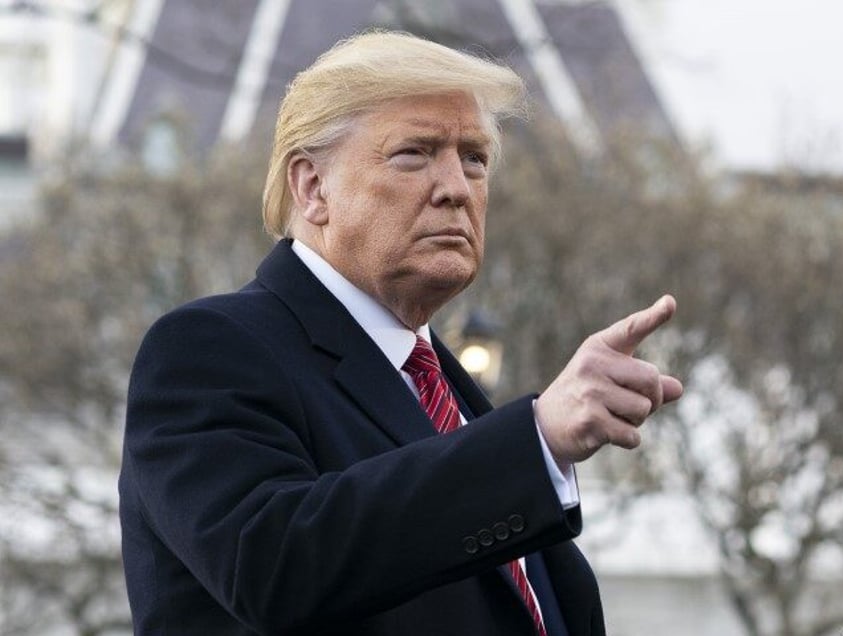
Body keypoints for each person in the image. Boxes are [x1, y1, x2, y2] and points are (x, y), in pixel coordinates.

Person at [119, 30, 683, 636]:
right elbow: (273, 565)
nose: (456, 188)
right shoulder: (208, 350)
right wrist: (536, 438)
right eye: (414, 153)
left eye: (474, 158)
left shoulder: (445, 387)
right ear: (313, 188)